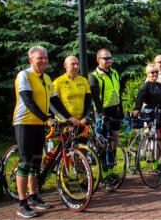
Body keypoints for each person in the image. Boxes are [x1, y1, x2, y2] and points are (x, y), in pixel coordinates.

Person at [13, 46, 79, 218]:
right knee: (25, 162)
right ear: (31, 60)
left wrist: (69, 117)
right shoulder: (24, 75)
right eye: (39, 58)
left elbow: (55, 102)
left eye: (45, 58)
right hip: (25, 123)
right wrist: (47, 119)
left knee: (36, 162)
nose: (43, 61)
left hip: (39, 124)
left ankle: (33, 197)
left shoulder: (47, 79)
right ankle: (22, 204)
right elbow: (27, 101)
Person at [89, 48, 123, 190]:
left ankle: (111, 166)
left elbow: (117, 92)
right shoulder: (94, 76)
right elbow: (95, 98)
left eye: (110, 58)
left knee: (114, 138)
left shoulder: (114, 73)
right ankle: (103, 173)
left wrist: (121, 110)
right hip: (101, 111)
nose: (109, 60)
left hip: (114, 110)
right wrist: (101, 114)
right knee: (103, 143)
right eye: (105, 58)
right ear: (98, 60)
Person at [133, 64, 161, 173]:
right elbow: (140, 98)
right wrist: (137, 109)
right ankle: (155, 165)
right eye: (152, 72)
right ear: (147, 74)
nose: (154, 74)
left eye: (156, 72)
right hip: (151, 115)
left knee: (160, 141)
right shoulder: (145, 86)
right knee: (156, 140)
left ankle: (157, 163)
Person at [52, 56, 91, 123]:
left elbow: (88, 101)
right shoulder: (58, 82)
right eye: (73, 64)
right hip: (65, 123)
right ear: (65, 65)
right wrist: (68, 118)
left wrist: (86, 116)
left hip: (81, 122)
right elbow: (54, 104)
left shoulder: (84, 80)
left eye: (77, 64)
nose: (76, 66)